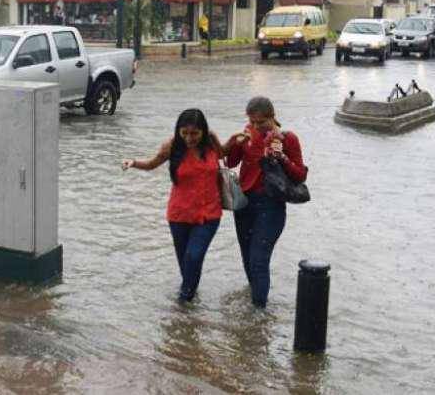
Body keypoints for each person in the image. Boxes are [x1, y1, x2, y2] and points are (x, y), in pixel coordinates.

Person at [124, 109, 225, 303]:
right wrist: (134, 163)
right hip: (179, 215)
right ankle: (190, 308)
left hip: (209, 215)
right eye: (184, 133)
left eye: (194, 133)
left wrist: (240, 140)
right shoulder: (172, 147)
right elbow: (152, 164)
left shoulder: (211, 142)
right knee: (186, 264)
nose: (189, 138)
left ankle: (183, 303)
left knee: (194, 257)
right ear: (178, 131)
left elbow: (224, 152)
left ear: (203, 131)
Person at [225, 96, 308, 308]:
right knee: (247, 259)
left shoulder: (287, 139)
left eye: (260, 122)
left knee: (258, 259)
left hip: (271, 205)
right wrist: (236, 142)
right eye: (252, 121)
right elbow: (230, 161)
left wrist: (282, 158)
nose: (256, 126)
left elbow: (299, 175)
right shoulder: (247, 133)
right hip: (244, 204)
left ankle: (259, 312)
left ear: (272, 117)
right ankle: (254, 304)